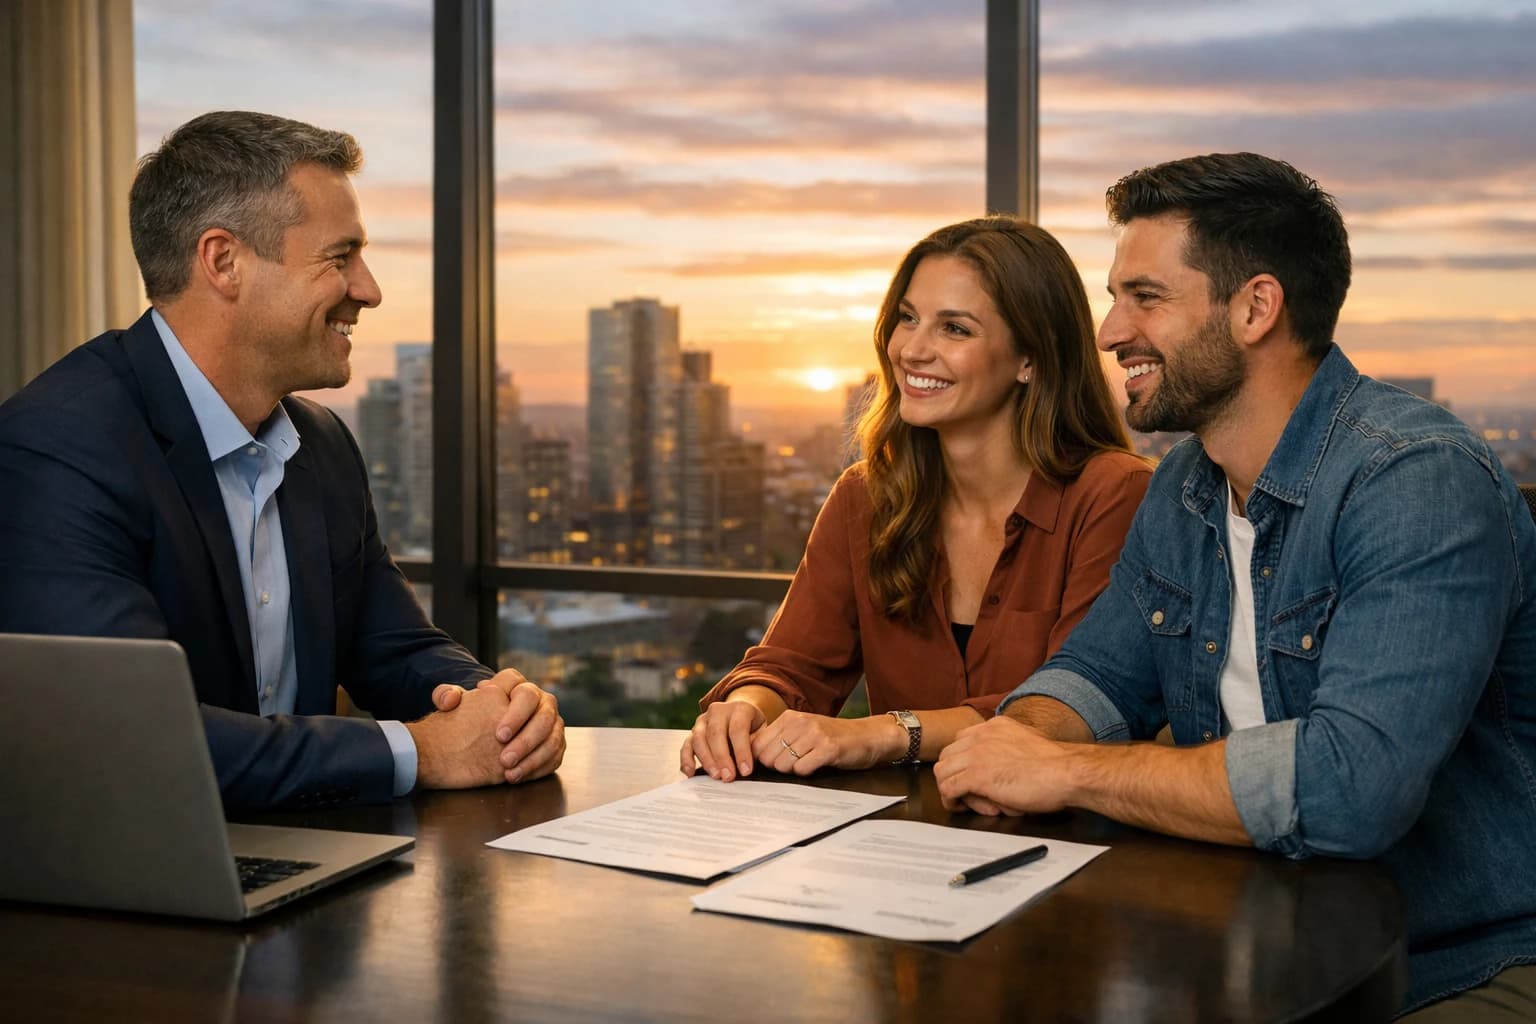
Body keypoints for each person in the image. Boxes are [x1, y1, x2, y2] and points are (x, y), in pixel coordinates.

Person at [933, 153, 1536, 1018]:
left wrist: (1064, 770)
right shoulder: (1185, 487)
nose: (1108, 332)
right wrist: (1016, 744)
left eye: (1145, 297)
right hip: (1250, 945)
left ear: (1255, 307)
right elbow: (1098, 675)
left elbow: (1352, 788)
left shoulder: (1417, 481)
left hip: (1451, 964)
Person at [0, 111, 565, 811]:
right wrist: (422, 752)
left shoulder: (320, 445)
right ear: (224, 261)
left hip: (307, 874)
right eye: (340, 256)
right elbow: (136, 739)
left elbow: (394, 649)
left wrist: (503, 712)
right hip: (132, 900)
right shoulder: (57, 449)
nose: (369, 289)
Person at [680, 217, 1151, 781]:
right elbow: (793, 666)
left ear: (1030, 358)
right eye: (907, 318)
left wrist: (879, 734)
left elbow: (1071, 711)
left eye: (955, 328)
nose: (912, 349)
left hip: (1067, 840)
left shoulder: (1113, 495)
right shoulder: (865, 496)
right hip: (906, 841)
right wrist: (746, 708)